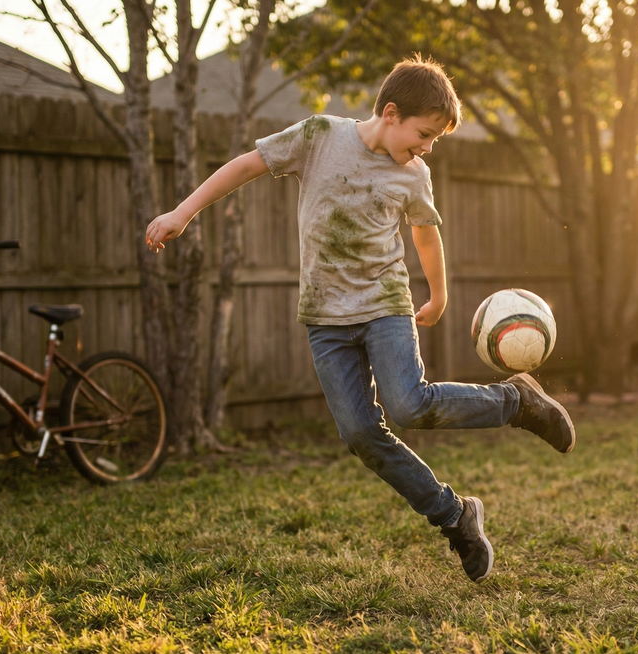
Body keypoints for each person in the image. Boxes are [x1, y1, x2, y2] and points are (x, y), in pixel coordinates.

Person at [144, 55, 575, 583]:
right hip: (325, 318)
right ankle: (456, 516)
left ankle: (515, 401)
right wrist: (181, 212)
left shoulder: (414, 173)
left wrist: (438, 295)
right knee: (362, 436)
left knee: (409, 405)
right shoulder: (319, 135)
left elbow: (424, 232)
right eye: (424, 133)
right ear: (390, 113)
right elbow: (247, 165)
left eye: (435, 139)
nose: (427, 146)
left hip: (384, 304)